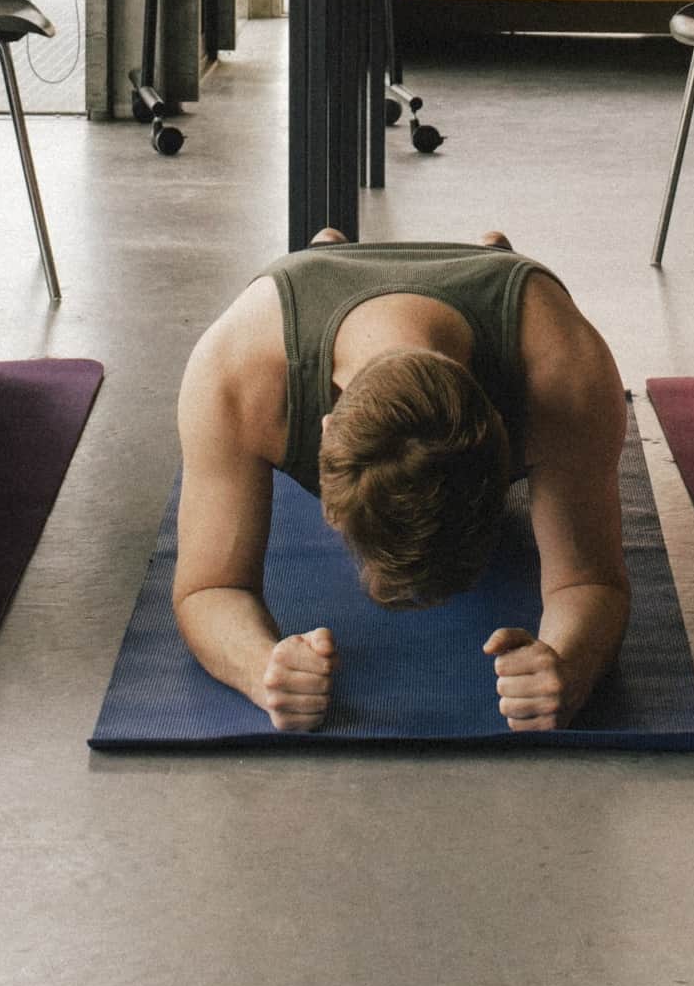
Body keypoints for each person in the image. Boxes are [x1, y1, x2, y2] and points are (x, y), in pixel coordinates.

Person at [171, 229, 629, 733]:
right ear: (324, 436)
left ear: (506, 436)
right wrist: (261, 670)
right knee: (318, 257)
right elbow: (208, 586)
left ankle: (485, 257)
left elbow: (590, 579)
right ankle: (329, 255)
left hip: (500, 295)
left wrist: (569, 667)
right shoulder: (235, 372)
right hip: (311, 291)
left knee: (497, 264)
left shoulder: (565, 375)